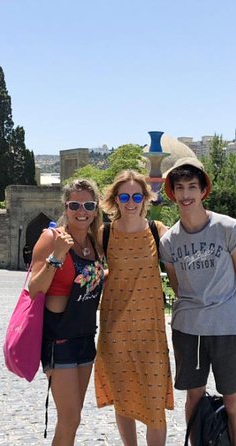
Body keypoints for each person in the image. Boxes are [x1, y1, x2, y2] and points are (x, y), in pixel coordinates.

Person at [158, 158, 236, 446]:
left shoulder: (228, 227)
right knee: (194, 396)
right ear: (172, 193)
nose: (186, 194)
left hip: (227, 328)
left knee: (233, 398)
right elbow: (178, 286)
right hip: (189, 329)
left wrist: (228, 309)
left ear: (203, 191)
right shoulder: (169, 242)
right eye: (179, 188)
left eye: (192, 187)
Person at [94, 170, 174, 446]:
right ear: (115, 199)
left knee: (155, 405)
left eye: (137, 196)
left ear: (145, 199)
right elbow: (89, 269)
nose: (131, 202)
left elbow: (182, 262)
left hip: (151, 334)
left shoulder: (157, 231)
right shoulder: (104, 234)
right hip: (115, 332)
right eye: (125, 196)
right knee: (123, 399)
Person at [28, 178, 105, 445]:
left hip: (85, 337)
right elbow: (35, 288)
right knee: (69, 418)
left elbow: (92, 278)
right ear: (66, 207)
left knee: (73, 418)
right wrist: (57, 256)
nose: (81, 211)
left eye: (88, 205)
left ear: (96, 209)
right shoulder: (52, 239)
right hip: (59, 340)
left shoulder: (94, 243)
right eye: (74, 205)